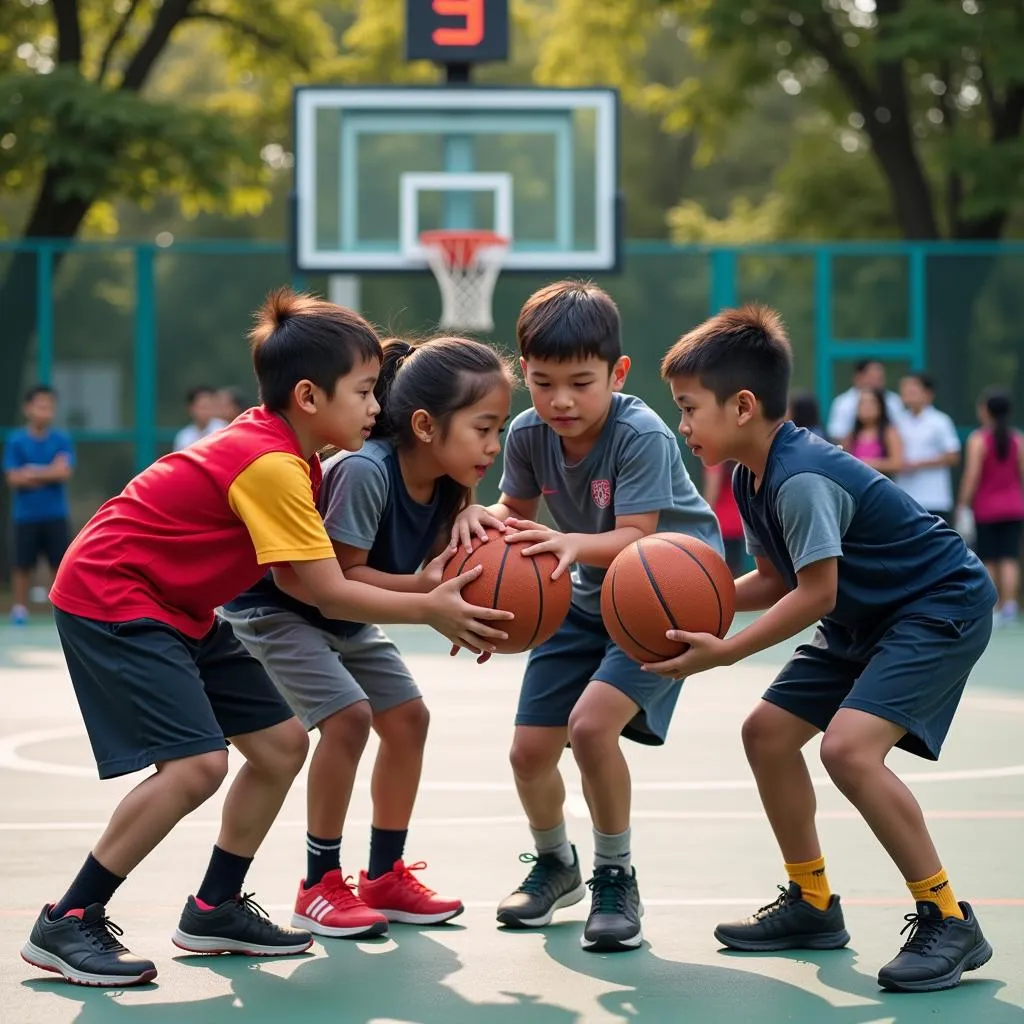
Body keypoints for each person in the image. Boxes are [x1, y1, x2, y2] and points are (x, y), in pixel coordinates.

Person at [20, 289, 512, 988]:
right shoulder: (275, 466)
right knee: (196, 767)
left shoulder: (295, 454)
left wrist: (442, 568)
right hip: (115, 594)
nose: (379, 409)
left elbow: (302, 576)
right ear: (309, 396)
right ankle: (68, 920)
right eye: (366, 392)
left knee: (281, 746)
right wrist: (431, 609)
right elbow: (327, 589)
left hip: (180, 605)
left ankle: (215, 906)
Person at [655, 304, 995, 993]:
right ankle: (811, 902)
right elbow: (778, 578)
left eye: (689, 409)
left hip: (936, 604)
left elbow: (814, 594)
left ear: (743, 405)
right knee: (768, 735)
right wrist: (691, 596)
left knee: (847, 750)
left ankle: (949, 917)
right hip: (866, 616)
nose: (683, 426)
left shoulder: (801, 477)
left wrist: (724, 651)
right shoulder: (754, 475)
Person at [452, 280, 722, 953]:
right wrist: (475, 524)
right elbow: (513, 514)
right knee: (528, 751)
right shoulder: (527, 433)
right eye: (543, 383)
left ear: (617, 373)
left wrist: (570, 544)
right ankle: (556, 864)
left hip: (666, 599)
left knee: (592, 728)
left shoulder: (640, 434)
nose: (561, 400)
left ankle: (615, 874)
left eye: (580, 382)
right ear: (524, 376)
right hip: (585, 596)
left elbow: (636, 534)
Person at [221, 335, 516, 938]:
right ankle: (319, 885)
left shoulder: (450, 476)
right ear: (427, 425)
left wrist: (470, 518)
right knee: (350, 719)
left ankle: (384, 875)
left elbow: (426, 564)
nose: (493, 446)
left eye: (499, 431)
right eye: (483, 429)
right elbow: (339, 578)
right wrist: (431, 601)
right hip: (277, 610)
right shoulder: (365, 471)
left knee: (408, 718)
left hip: (346, 615)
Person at [2, 385, 74, 625]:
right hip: (25, 516)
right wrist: (48, 471)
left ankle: (61, 610)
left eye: (50, 406)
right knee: (22, 564)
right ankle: (20, 610)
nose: (46, 411)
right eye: (41, 405)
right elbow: (13, 478)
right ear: (28, 408)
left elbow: (64, 473)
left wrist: (31, 471)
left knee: (59, 562)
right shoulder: (16, 440)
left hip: (55, 514)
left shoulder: (62, 439)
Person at [956, 387, 1024, 624]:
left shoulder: (978, 439)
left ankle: (994, 607)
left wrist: (963, 505)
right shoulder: (1017, 439)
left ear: (986, 410)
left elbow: (971, 476)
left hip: (986, 508)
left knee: (989, 558)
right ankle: (1010, 606)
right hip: (1015, 507)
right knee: (1009, 557)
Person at [894, 373, 960, 525]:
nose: (907, 392)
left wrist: (917, 464)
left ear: (928, 393)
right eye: (904, 388)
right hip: (904, 496)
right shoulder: (898, 420)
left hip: (935, 498)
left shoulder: (940, 421)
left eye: (912, 388)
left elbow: (953, 456)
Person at [826, 360, 903, 442]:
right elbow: (836, 434)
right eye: (872, 377)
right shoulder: (842, 403)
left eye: (880, 378)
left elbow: (901, 431)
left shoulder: (893, 400)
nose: (876, 382)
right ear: (858, 377)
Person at [841, 387, 903, 476]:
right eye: (862, 403)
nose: (866, 407)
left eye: (871, 402)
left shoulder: (889, 432)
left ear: (880, 406)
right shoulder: (852, 435)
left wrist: (866, 463)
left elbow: (897, 464)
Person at [702, 461, 745, 576]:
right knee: (734, 574)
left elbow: (712, 495)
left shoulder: (715, 462)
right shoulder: (740, 459)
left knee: (720, 577)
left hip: (720, 527)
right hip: (738, 525)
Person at [173, 386, 227, 450]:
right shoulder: (184, 437)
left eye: (209, 407)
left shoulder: (223, 430)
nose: (206, 411)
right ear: (190, 408)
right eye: (202, 407)